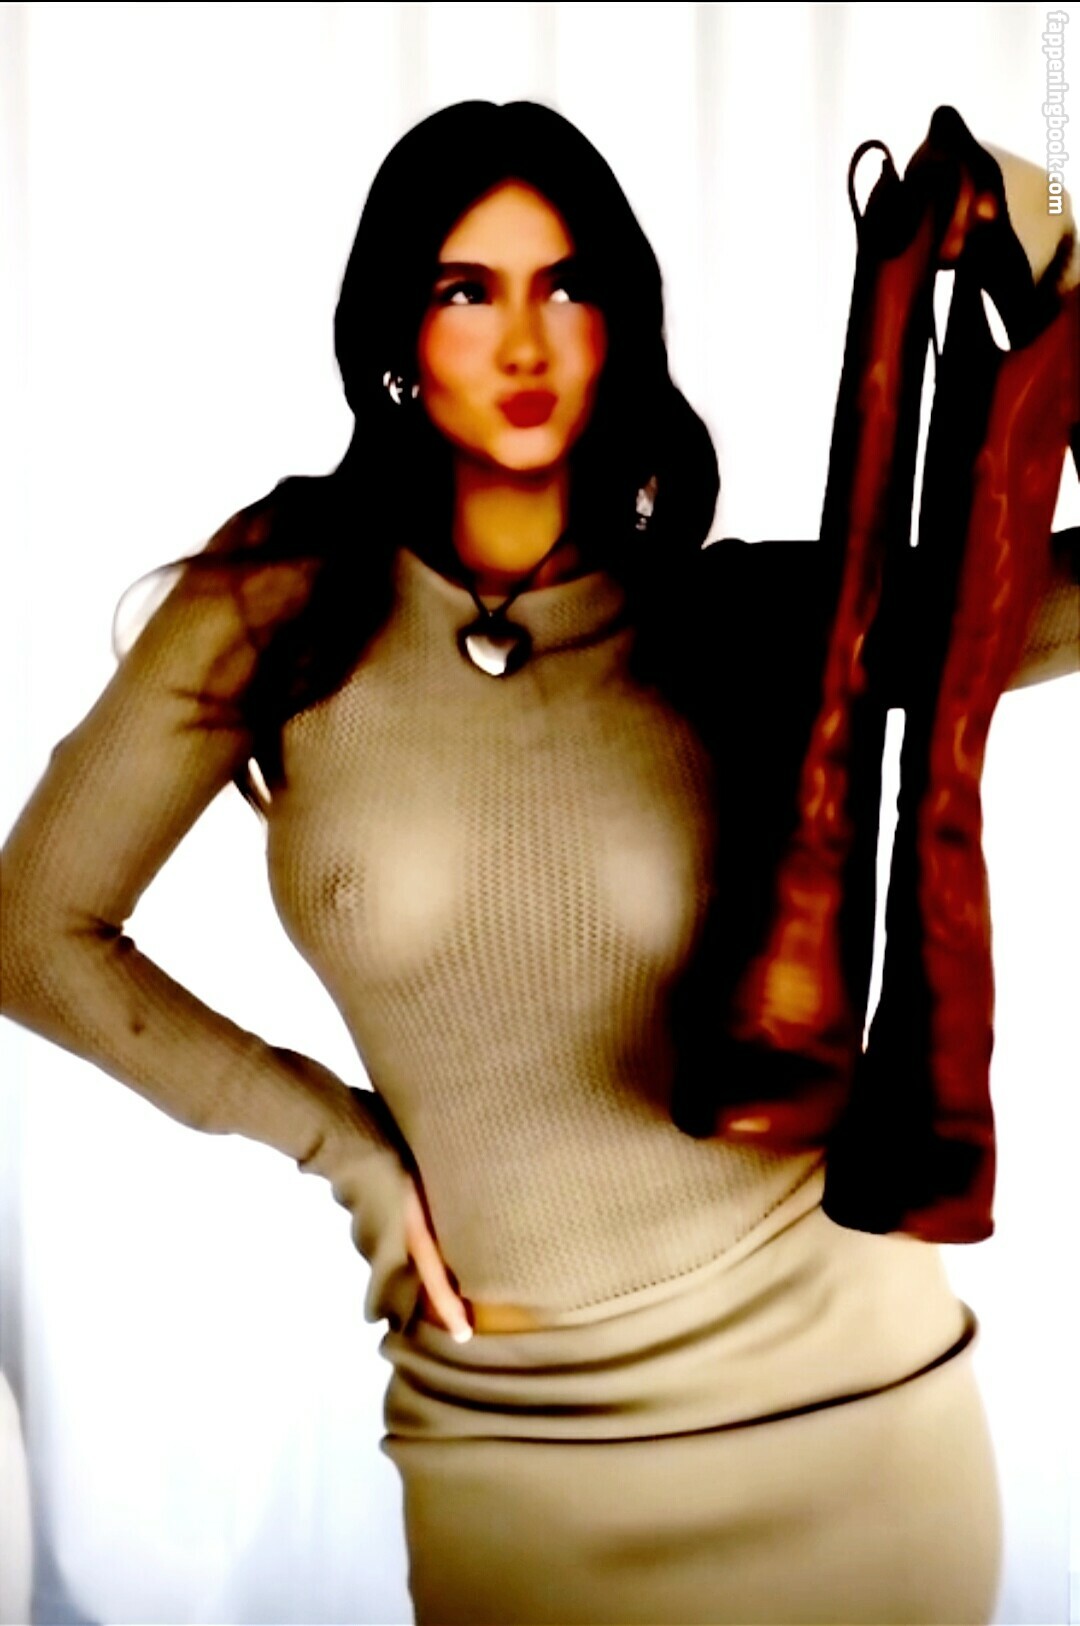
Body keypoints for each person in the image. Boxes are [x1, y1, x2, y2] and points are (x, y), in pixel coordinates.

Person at [1, 100, 1076, 1626]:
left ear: (622, 323)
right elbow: (32, 929)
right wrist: (340, 1145)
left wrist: (1056, 272)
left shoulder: (752, 624)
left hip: (850, 1415)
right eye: (467, 289)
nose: (524, 340)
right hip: (509, 1447)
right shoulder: (280, 602)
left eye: (567, 285)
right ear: (397, 334)